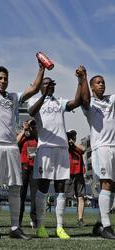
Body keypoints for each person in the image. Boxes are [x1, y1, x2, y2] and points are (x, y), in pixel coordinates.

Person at [0, 35, 45, 240]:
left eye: (5, 78)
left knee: (16, 188)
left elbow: (33, 88)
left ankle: (15, 228)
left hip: (11, 147)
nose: (2, 81)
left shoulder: (14, 97)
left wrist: (41, 68)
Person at [27, 65, 88, 239]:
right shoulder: (34, 101)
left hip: (61, 149)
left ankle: (60, 227)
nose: (50, 85)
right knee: (44, 188)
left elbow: (75, 102)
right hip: (45, 148)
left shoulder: (59, 102)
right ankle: (41, 226)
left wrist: (79, 81)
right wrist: (43, 94)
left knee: (61, 188)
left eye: (52, 83)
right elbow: (31, 112)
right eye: (46, 83)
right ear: (41, 87)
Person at [80, 74, 115, 239]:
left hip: (114, 147)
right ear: (92, 87)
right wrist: (84, 78)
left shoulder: (111, 101)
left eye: (103, 82)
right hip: (101, 148)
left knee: (112, 186)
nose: (102, 85)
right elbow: (85, 99)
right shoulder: (89, 103)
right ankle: (107, 227)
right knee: (106, 183)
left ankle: (100, 224)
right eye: (98, 83)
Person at [17, 119, 38, 228]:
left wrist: (34, 129)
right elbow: (16, 142)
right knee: (21, 195)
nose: (30, 126)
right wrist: (24, 131)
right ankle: (18, 220)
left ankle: (34, 220)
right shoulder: (22, 136)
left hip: (34, 168)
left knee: (35, 195)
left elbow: (40, 139)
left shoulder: (36, 136)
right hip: (23, 167)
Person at [64, 129, 86, 227]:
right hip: (68, 175)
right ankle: (61, 219)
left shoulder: (78, 147)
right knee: (64, 197)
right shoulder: (65, 147)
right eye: (70, 136)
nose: (72, 138)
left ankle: (80, 219)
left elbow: (84, 149)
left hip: (79, 175)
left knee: (80, 197)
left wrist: (74, 143)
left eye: (73, 136)